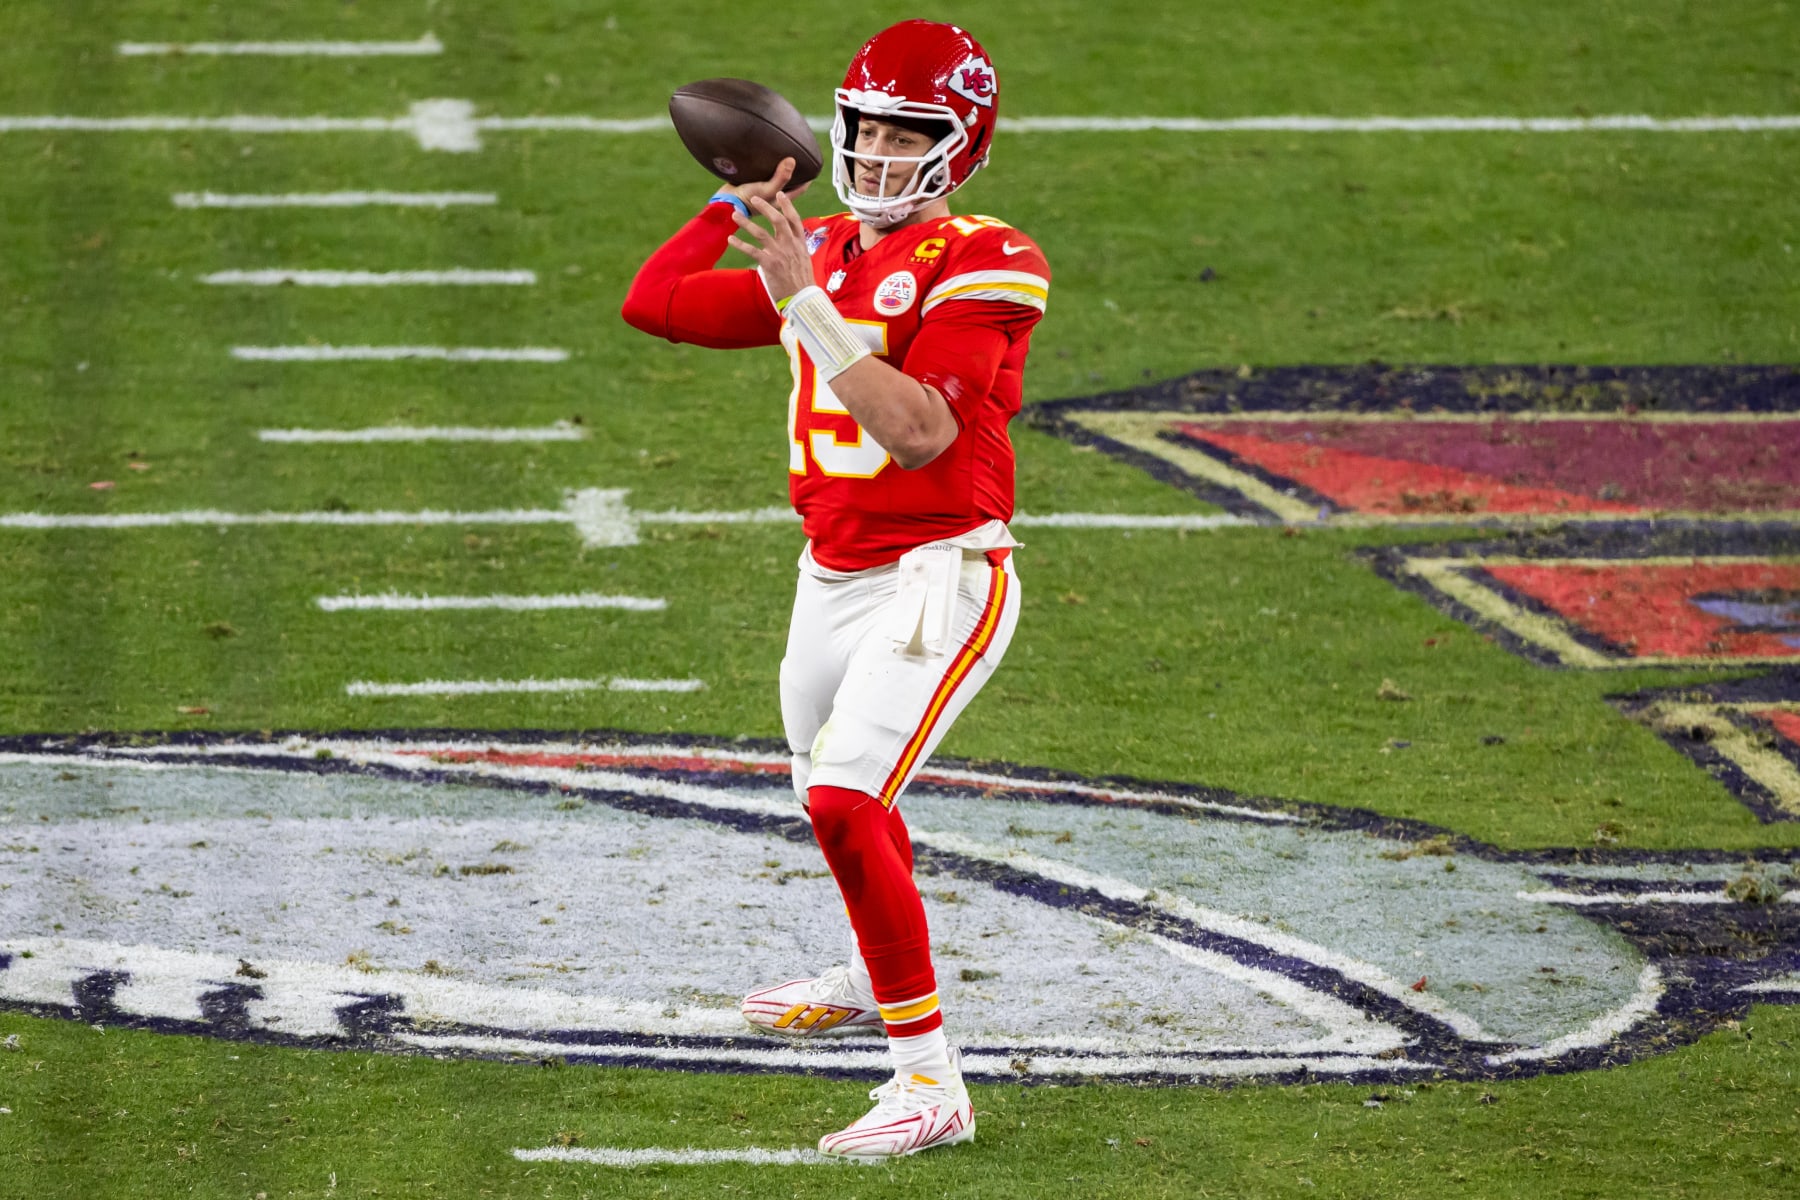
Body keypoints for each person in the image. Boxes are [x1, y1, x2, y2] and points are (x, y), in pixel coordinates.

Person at [621, 19, 1049, 1162]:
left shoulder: (986, 255)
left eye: (908, 132)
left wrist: (803, 297)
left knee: (847, 802)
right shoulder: (826, 250)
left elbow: (916, 433)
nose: (875, 153)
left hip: (941, 574)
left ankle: (931, 1084)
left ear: (960, 146)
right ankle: (870, 979)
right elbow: (653, 304)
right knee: (845, 802)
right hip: (831, 575)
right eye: (862, 129)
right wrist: (736, 201)